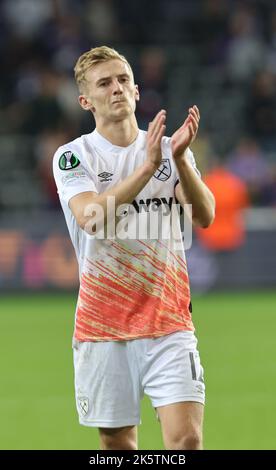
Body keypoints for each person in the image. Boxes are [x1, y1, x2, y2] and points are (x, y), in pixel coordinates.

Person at [53, 46, 215, 450]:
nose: (117, 89)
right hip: (104, 327)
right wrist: (145, 170)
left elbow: (205, 215)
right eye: (104, 83)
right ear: (85, 100)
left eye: (123, 80)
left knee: (187, 442)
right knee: (119, 448)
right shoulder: (74, 156)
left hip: (169, 321)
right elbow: (91, 217)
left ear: (137, 90)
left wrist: (177, 159)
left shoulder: (167, 148)